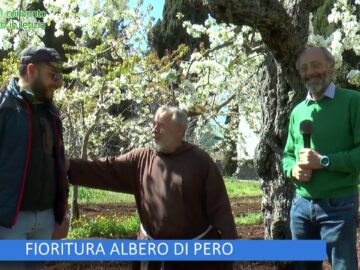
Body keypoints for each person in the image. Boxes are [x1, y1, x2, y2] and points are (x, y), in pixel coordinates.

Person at [68, 105, 237, 270]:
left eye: (161, 126)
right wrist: (69, 166)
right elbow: (106, 168)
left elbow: (220, 209)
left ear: (179, 130)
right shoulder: (142, 159)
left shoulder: (201, 162)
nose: (154, 130)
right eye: (154, 124)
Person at [282, 47, 360, 270]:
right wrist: (293, 170)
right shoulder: (298, 111)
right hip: (301, 208)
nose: (310, 72)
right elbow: (287, 155)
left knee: (343, 266)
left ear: (331, 65)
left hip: (339, 206)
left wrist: (325, 161)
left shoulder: (353, 102)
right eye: (304, 68)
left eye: (316, 65)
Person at [0, 47, 70, 269]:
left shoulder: (52, 112)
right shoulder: (4, 108)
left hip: (46, 220)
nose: (58, 83)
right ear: (31, 70)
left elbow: (58, 164)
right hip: (9, 222)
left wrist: (62, 214)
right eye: (53, 75)